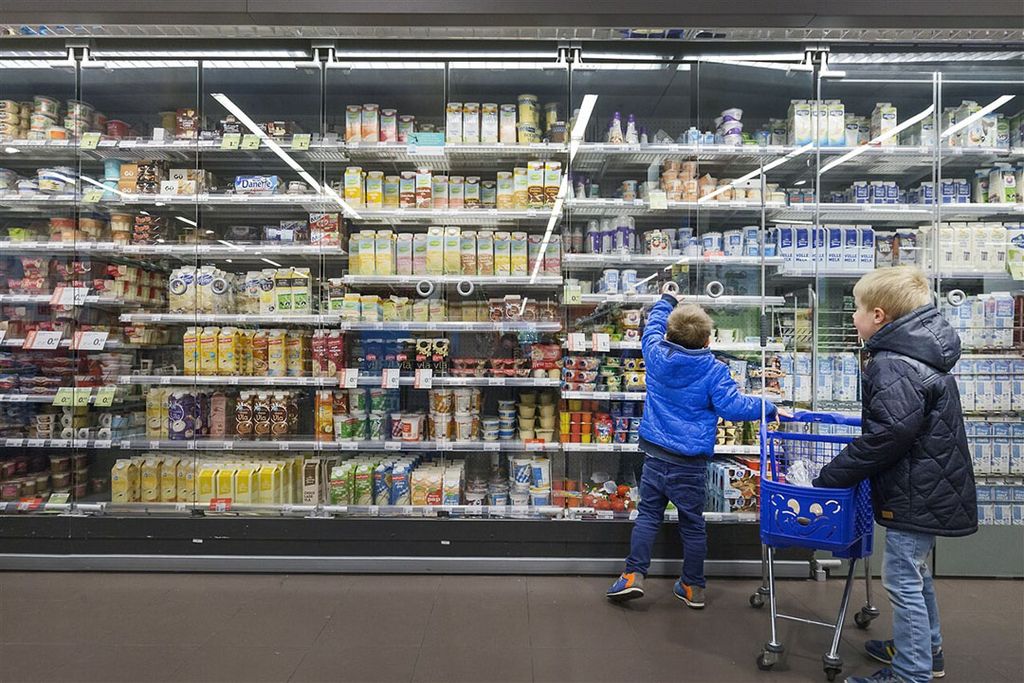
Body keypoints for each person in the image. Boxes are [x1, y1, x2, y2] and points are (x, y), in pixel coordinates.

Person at [812, 266, 977, 683]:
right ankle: (925, 649)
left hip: (914, 488)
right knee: (915, 572)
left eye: (858, 309)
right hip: (930, 484)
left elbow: (889, 434)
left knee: (902, 579)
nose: (853, 317)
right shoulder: (923, 354)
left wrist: (833, 474)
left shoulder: (892, 363)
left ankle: (910, 672)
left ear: (880, 316)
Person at [606, 294, 778, 608]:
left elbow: (651, 329)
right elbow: (734, 406)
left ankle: (633, 575)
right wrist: (769, 407)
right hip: (690, 462)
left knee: (647, 517)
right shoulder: (714, 369)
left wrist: (667, 300)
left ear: (669, 334)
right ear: (708, 339)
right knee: (692, 524)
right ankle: (693, 586)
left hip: (656, 455)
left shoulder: (657, 354)